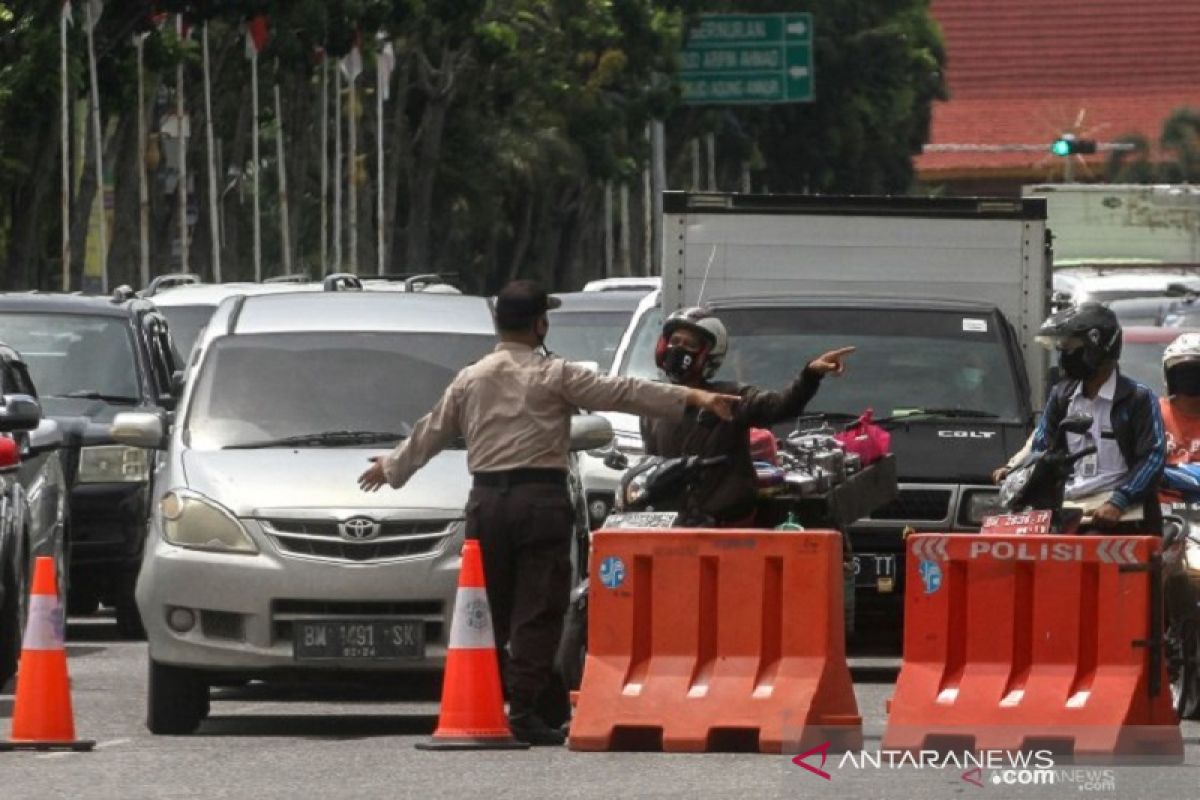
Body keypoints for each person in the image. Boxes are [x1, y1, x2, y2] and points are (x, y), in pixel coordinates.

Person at [357, 280, 740, 746]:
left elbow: (431, 430)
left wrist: (390, 468)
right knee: (538, 609)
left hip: (486, 504)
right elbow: (620, 392)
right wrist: (695, 397)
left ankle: (493, 700)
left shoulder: (472, 377)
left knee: (488, 608)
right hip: (539, 502)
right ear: (540, 324)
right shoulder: (554, 374)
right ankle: (523, 711)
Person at [639, 306, 855, 526]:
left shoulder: (728, 397)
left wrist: (811, 375)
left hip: (728, 528)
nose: (679, 349)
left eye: (689, 344)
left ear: (707, 355)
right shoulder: (654, 405)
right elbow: (650, 468)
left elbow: (780, 406)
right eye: (675, 341)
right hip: (671, 528)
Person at [996, 302, 1165, 533]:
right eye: (1061, 347)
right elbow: (1042, 445)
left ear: (1099, 347)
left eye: (1071, 346)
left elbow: (1153, 457)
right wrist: (1017, 472)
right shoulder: (1062, 396)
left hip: (1120, 514)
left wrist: (1120, 501)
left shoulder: (1137, 399)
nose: (1064, 354)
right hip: (1066, 506)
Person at [1158, 333, 1200, 499]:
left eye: (1196, 370)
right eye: (1183, 371)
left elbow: (1152, 473)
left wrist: (1165, 475)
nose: (1190, 377)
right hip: (1160, 515)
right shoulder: (1152, 413)